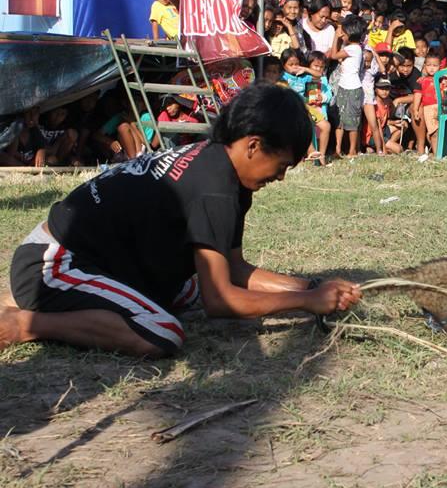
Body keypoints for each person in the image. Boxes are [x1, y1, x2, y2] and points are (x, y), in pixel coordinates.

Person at [0, 86, 362, 357]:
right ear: (253, 145)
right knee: (159, 332)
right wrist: (306, 301)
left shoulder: (226, 170)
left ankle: (38, 301)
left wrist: (311, 286)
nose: (280, 177)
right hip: (55, 262)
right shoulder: (214, 186)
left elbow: (234, 268)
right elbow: (220, 300)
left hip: (107, 263)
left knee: (184, 291)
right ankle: (28, 324)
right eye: (281, 166)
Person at [328, 15, 366, 158]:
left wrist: (335, 38)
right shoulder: (352, 48)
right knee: (340, 119)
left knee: (351, 120)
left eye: (343, 33)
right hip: (343, 86)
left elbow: (333, 55)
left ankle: (352, 151)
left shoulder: (354, 48)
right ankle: (338, 149)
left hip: (352, 88)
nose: (342, 35)